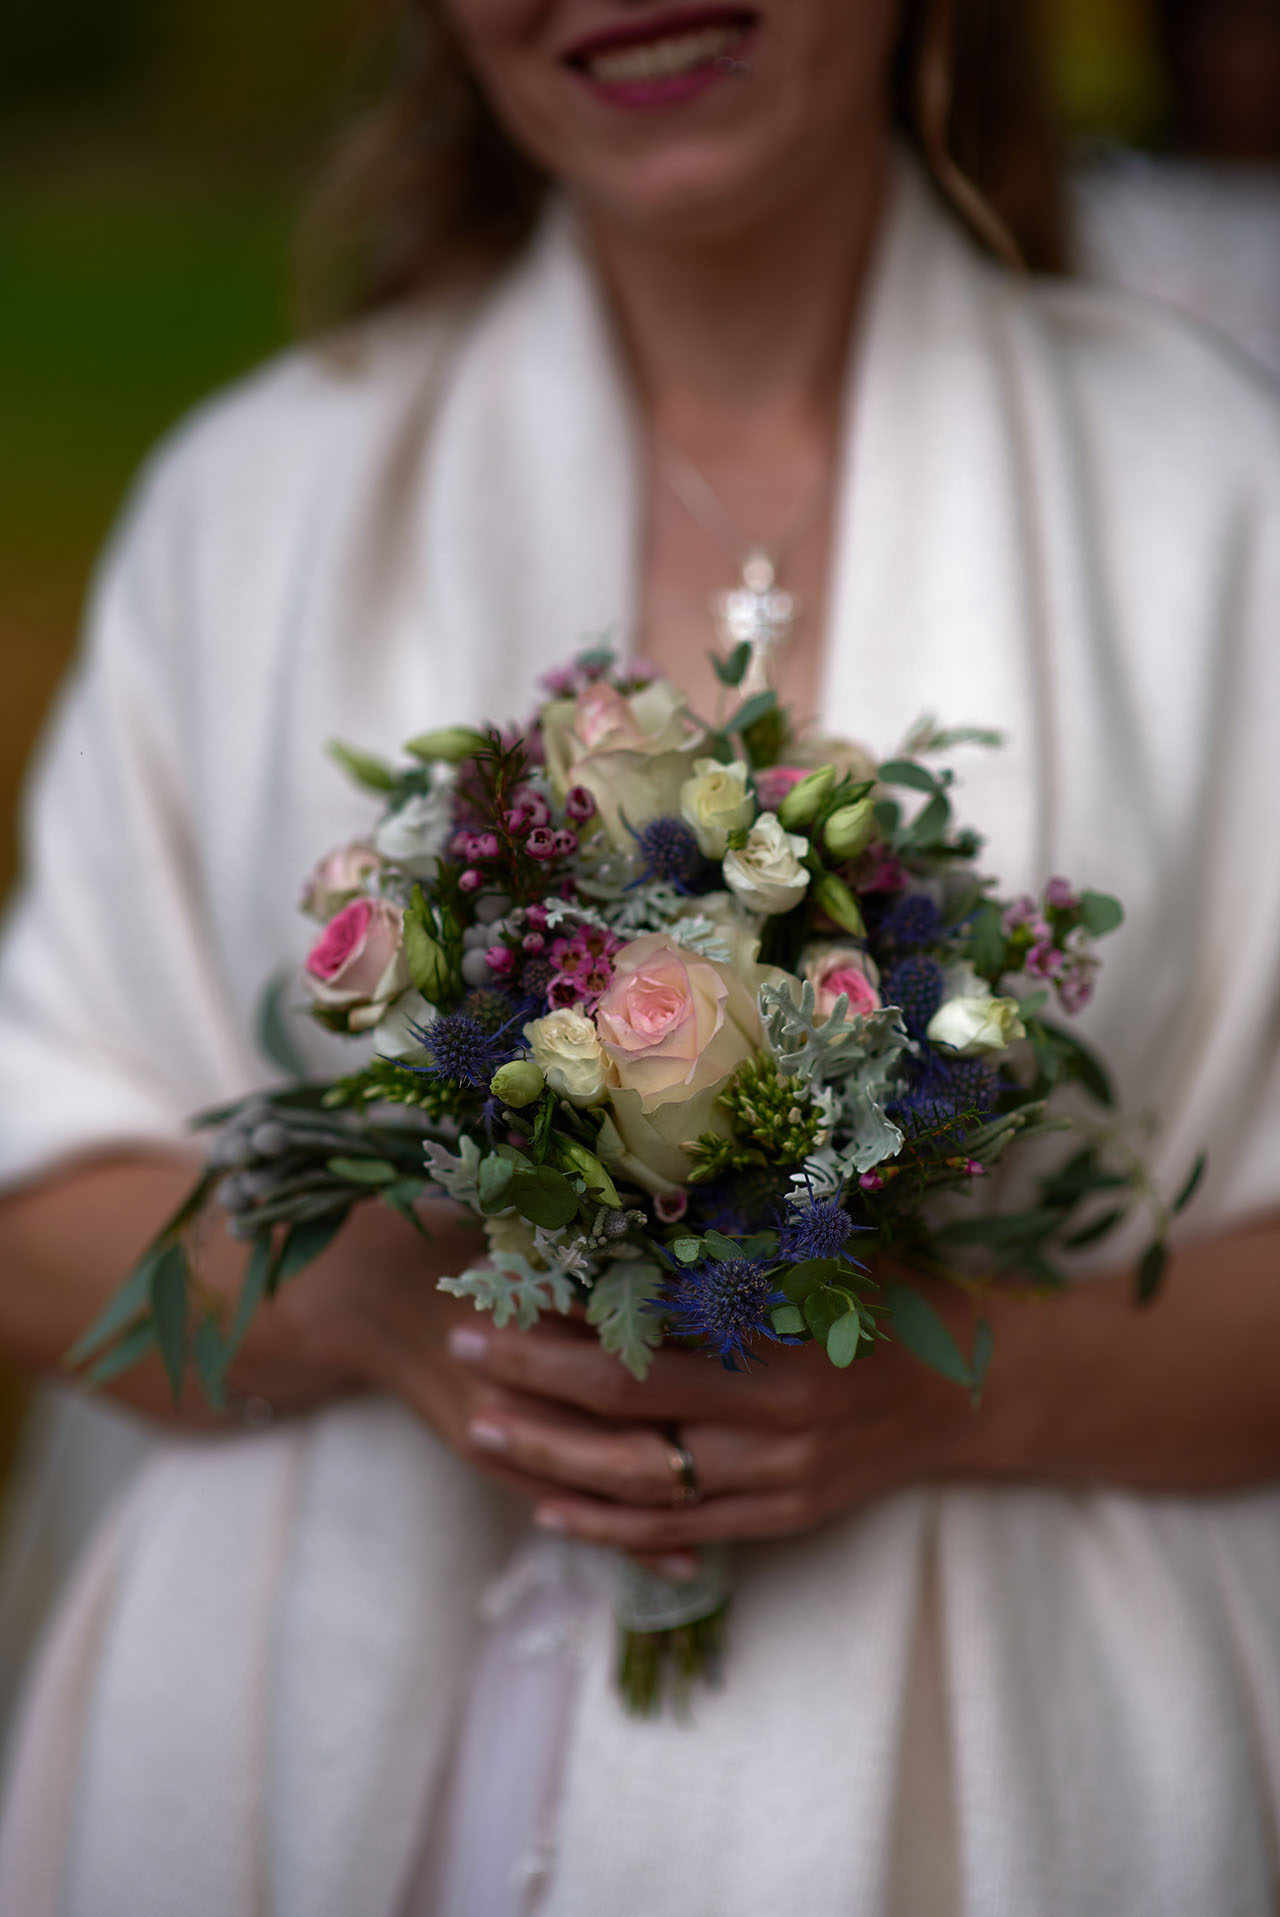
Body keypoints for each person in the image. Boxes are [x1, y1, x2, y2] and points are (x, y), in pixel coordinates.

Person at [0, 1, 1278, 1911]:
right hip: (291, 1781)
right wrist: (361, 1300)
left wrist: (964, 1376)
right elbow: (29, 1193)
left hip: (1020, 1786)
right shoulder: (255, 500)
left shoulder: (1211, 496)